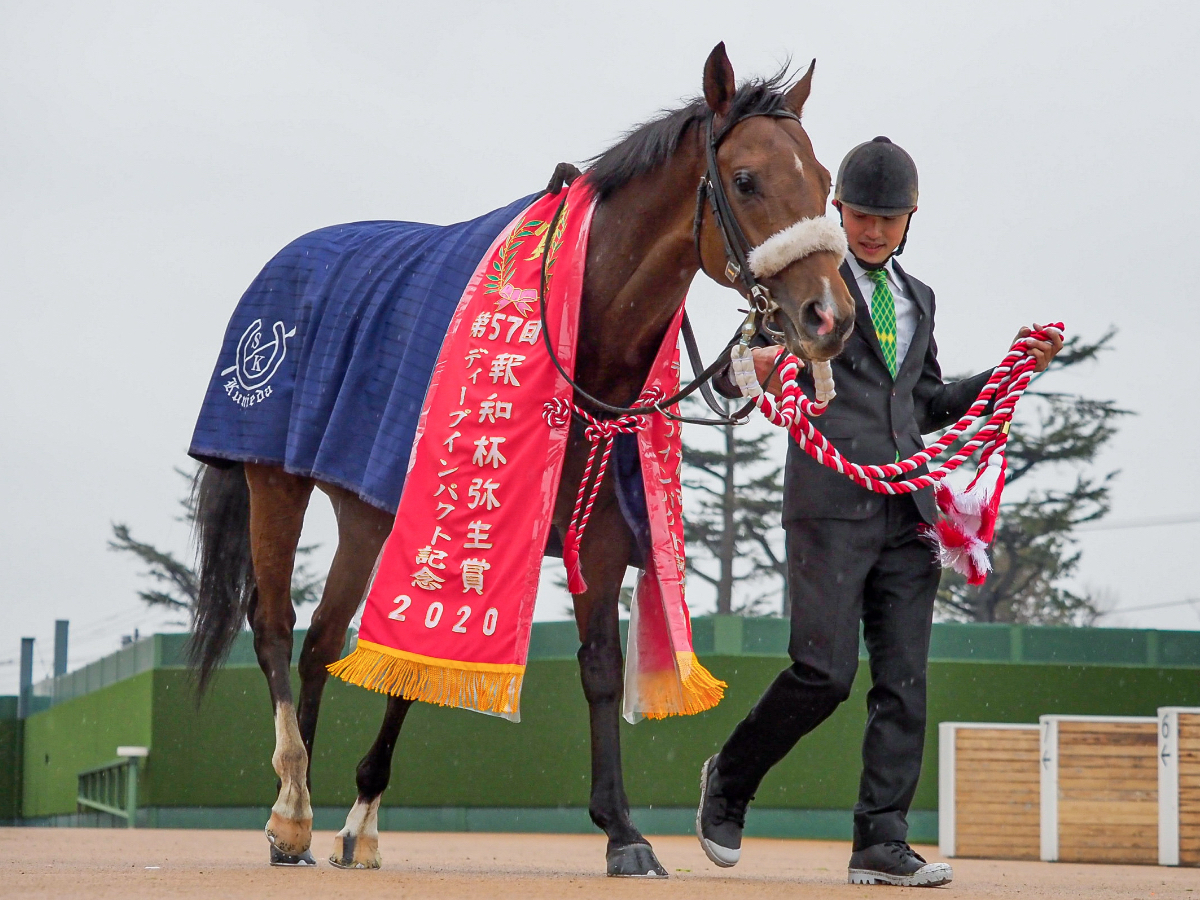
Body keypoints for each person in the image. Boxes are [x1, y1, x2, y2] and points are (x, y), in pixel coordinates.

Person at [695, 136, 1063, 887]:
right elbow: (721, 385)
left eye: (888, 220)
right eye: (861, 216)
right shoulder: (803, 282)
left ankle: (880, 841)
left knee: (904, 680)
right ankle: (729, 780)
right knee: (823, 676)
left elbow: (924, 404)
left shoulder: (920, 300)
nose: (872, 231)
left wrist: (1010, 371)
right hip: (828, 506)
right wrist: (756, 367)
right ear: (836, 211)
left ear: (911, 218)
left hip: (909, 511)